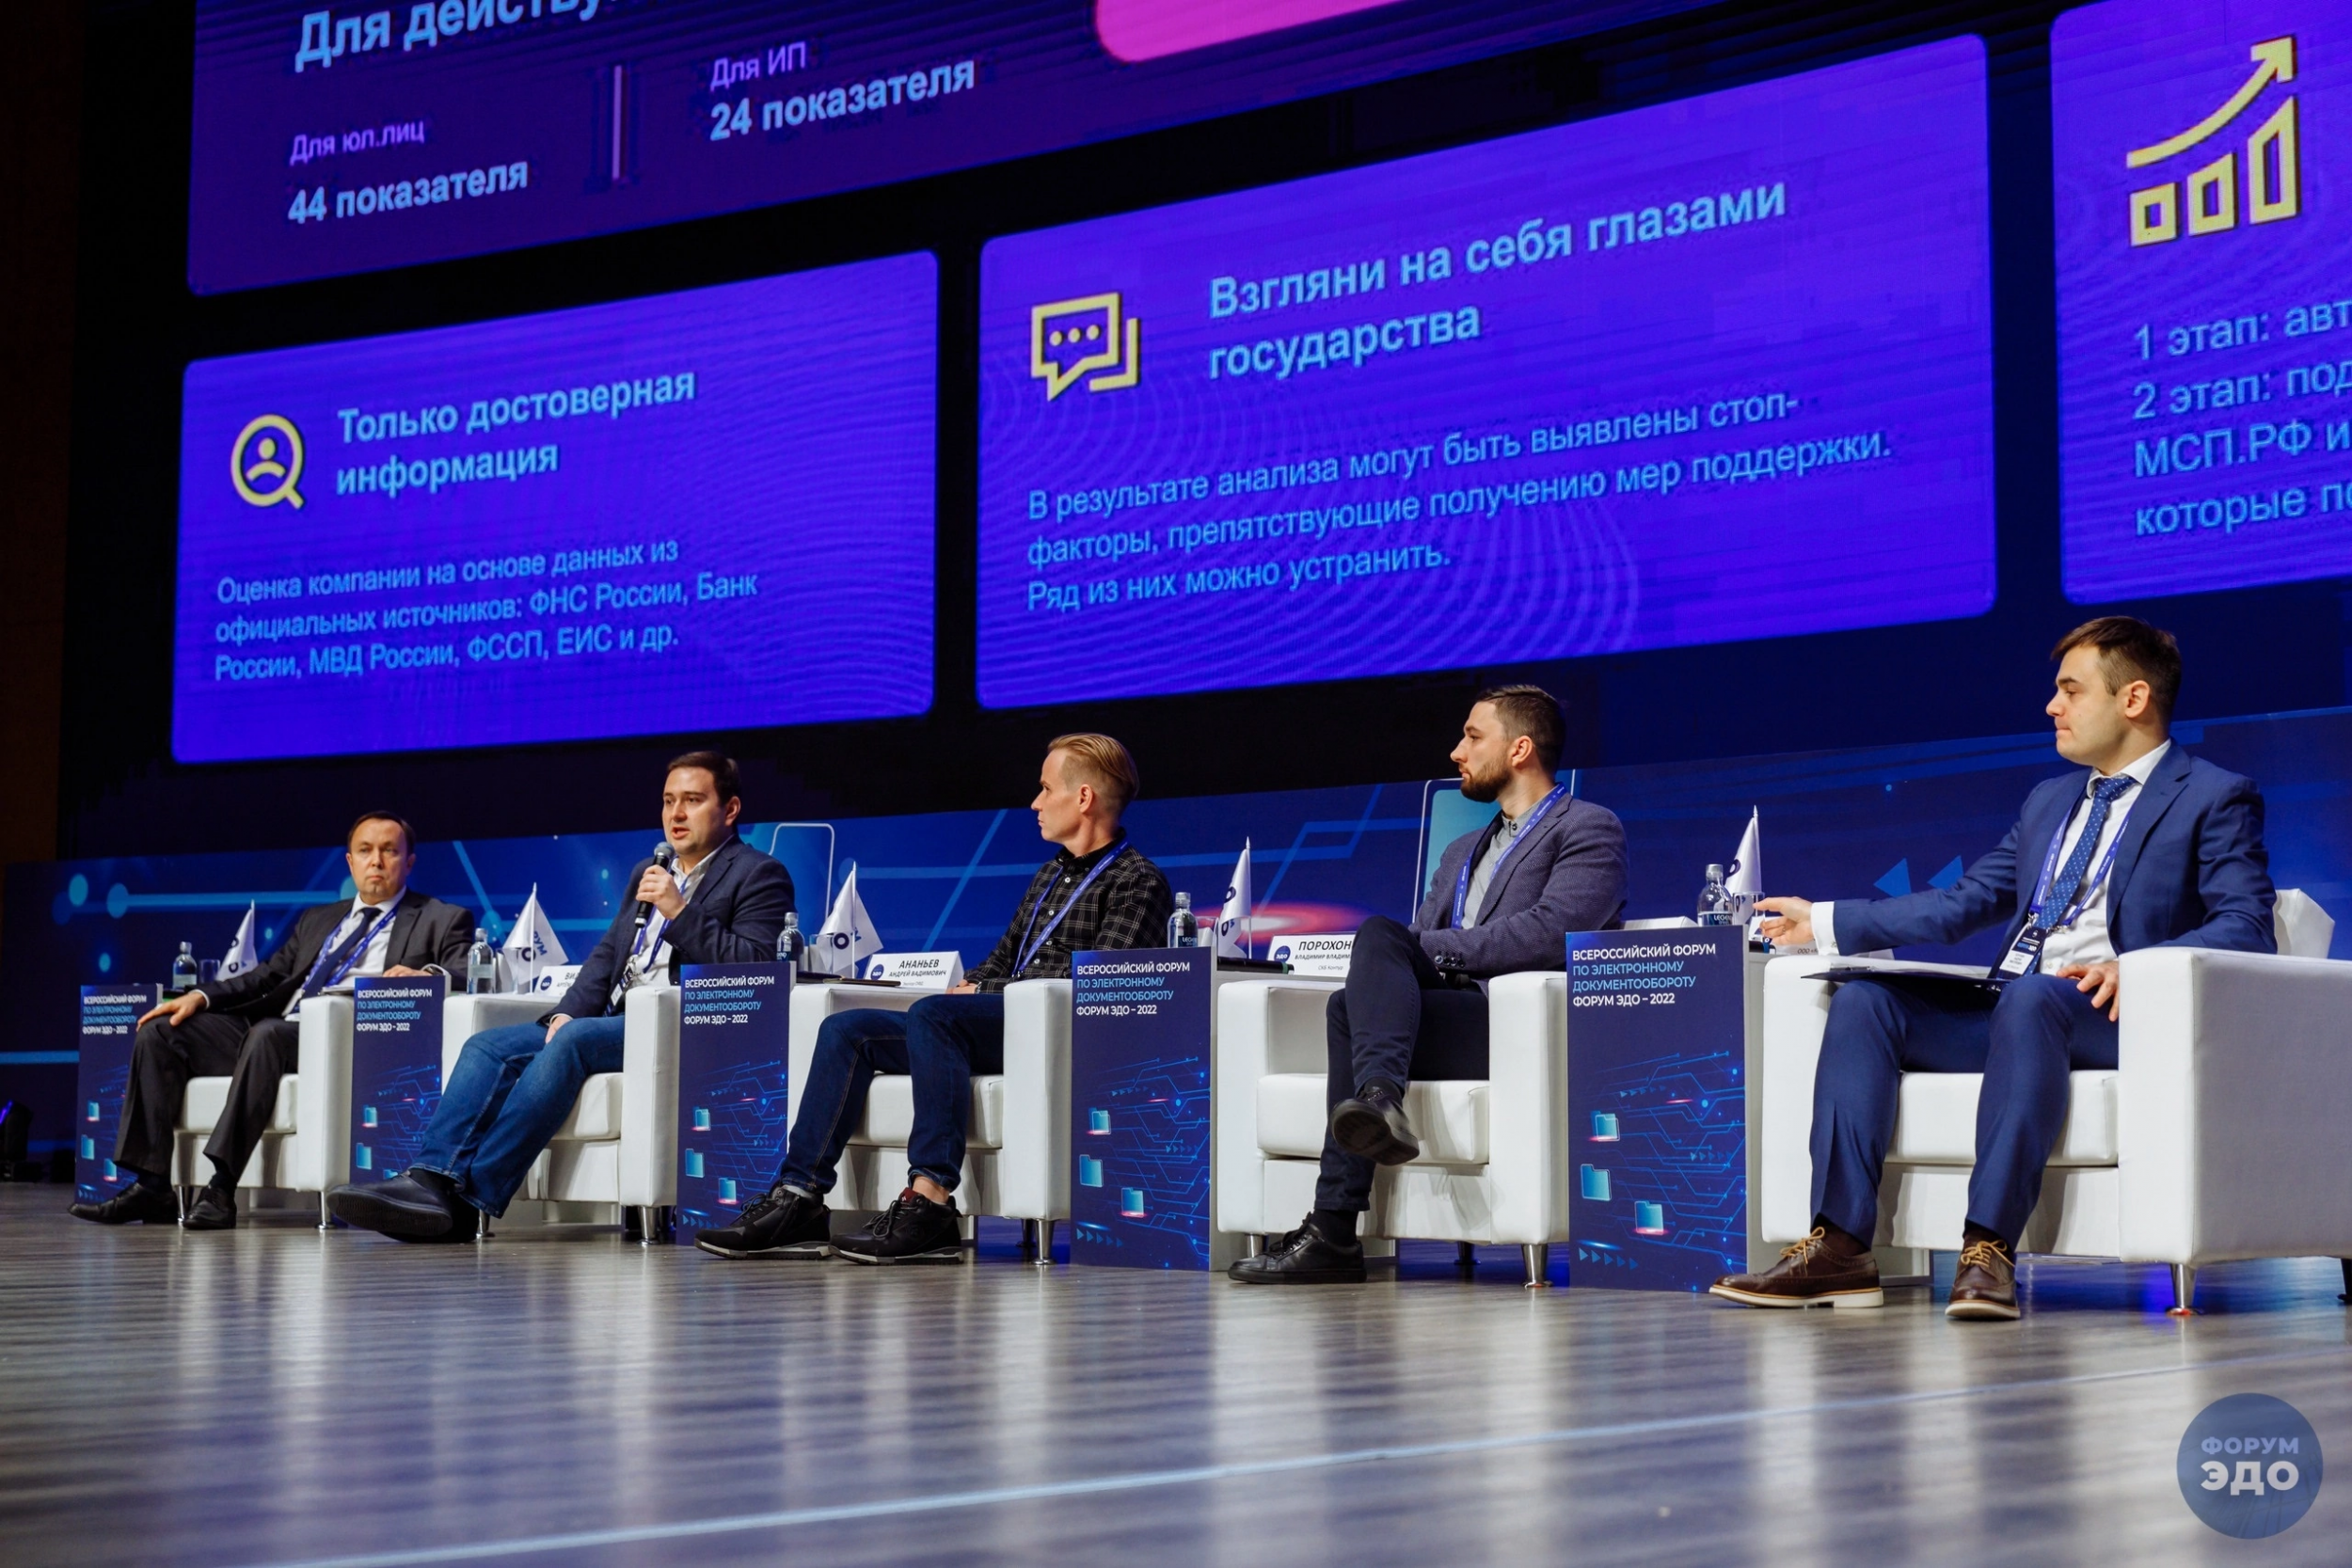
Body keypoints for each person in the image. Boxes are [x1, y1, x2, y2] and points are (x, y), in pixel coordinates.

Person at [1713, 617, 2273, 1321]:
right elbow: (1963, 903)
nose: (2052, 705)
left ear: (2133, 698)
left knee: (2033, 998)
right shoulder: (2050, 801)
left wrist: (2138, 966)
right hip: (2015, 1006)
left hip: (2111, 1013)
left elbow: (2246, 925)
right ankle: (1842, 1246)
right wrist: (1824, 921)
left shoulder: (2213, 795)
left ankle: (1988, 1247)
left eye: (2071, 689)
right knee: (1865, 1001)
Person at [696, 734, 1173, 1264]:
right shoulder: (1050, 875)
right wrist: (974, 984)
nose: (1035, 802)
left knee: (936, 1017)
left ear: (1083, 798)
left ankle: (930, 1202)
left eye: (1045, 788)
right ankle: (799, 1197)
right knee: (847, 1030)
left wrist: (984, 990)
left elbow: (1102, 984)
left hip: (1060, 1033)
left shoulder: (1137, 881)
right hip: (1003, 1021)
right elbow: (1003, 958)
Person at [1230, 685, 1628, 1285]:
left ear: (1520, 749)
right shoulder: (1462, 850)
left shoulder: (1588, 828)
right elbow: (1412, 943)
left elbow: (1552, 933)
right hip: (1449, 1011)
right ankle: (1374, 1116)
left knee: (1369, 969)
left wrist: (1432, 949)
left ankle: (1337, 1222)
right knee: (1351, 995)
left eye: (1472, 737)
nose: (1456, 752)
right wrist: (1419, 949)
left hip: (1512, 1023)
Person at [327, 752, 794, 1242]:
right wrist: (565, 1012)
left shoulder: (758, 873)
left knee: (576, 1040)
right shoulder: (650, 870)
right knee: (488, 1046)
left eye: (693, 801)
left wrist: (680, 913)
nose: (676, 814)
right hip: (616, 1021)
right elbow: (608, 956)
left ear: (730, 809)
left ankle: (468, 1200)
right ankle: (430, 1178)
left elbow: (759, 968)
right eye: (668, 801)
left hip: (689, 1024)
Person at [71, 813, 473, 1230]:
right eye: (365, 850)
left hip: (348, 1040)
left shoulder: (441, 917)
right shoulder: (319, 920)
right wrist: (201, 996)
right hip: (280, 1028)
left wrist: (426, 975)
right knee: (162, 1032)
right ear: (350, 861)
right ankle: (153, 1185)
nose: (376, 861)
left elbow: (466, 971)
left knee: (267, 1036)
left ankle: (221, 1187)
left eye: (389, 851)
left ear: (409, 862)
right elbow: (266, 977)